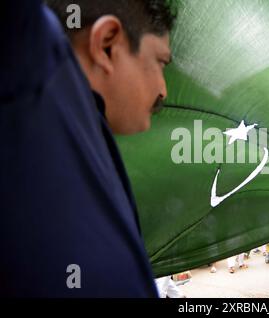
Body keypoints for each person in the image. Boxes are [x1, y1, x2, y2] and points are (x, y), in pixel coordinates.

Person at [1, 0, 175, 297]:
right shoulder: (28, 55)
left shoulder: (88, 128)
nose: (163, 89)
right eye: (160, 62)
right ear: (107, 44)